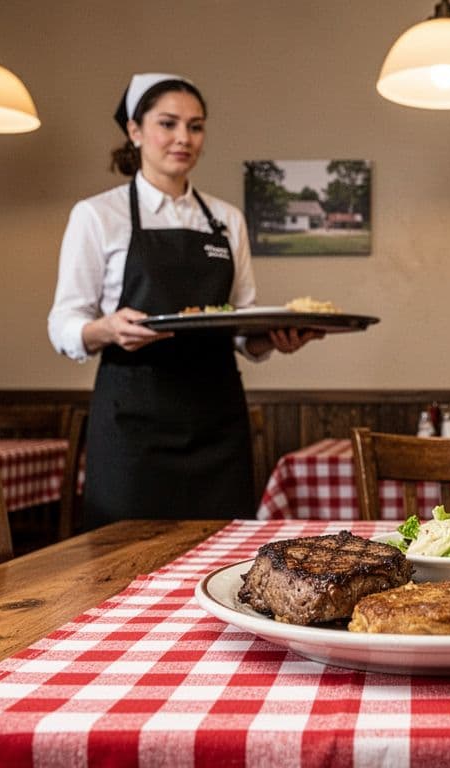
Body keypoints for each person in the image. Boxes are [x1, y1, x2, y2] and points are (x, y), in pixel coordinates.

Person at [48, 73, 320, 525]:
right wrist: (105, 328)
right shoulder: (98, 215)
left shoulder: (227, 220)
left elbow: (239, 326)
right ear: (135, 131)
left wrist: (271, 339)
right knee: (122, 567)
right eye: (168, 124)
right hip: (133, 425)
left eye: (195, 126)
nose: (183, 138)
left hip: (217, 422)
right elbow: (64, 320)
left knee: (220, 555)